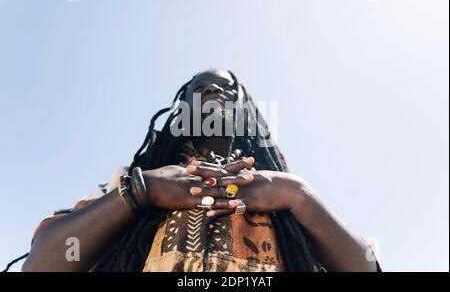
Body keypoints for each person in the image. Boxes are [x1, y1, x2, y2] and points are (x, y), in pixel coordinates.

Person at [22, 69, 380, 272]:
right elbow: (42, 266)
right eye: (200, 88)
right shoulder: (135, 177)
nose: (213, 91)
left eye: (226, 89)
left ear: (246, 111)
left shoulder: (284, 192)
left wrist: (298, 195)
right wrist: (140, 191)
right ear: (183, 108)